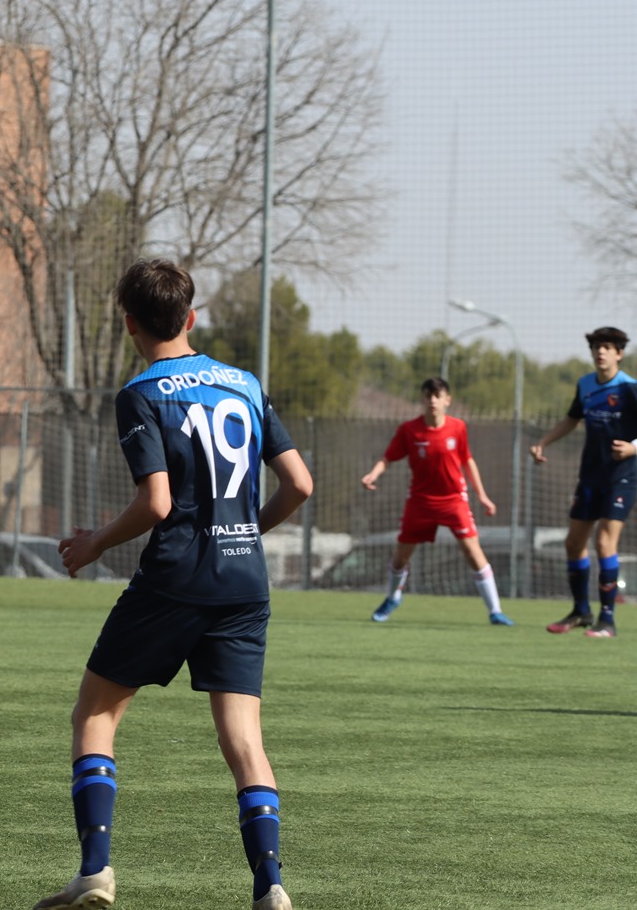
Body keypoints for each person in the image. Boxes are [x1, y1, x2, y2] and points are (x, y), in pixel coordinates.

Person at [33, 259, 312, 910]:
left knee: (95, 713)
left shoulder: (141, 392)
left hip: (176, 576)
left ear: (129, 323)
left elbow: (156, 503)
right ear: (191, 317)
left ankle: (95, 872)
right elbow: (300, 484)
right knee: (244, 739)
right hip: (245, 580)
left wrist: (94, 543)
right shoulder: (245, 383)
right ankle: (270, 885)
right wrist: (244, 529)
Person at [359, 377, 513, 625]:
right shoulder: (409, 430)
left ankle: (495, 610)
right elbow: (387, 458)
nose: (432, 400)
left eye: (437, 396)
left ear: (447, 400)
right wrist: (373, 474)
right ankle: (393, 597)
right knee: (401, 556)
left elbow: (467, 460)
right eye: (427, 395)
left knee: (473, 552)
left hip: (454, 500)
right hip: (420, 502)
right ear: (421, 399)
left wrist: (482, 495)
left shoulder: (458, 427)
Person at [529, 325, 637, 638]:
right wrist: (543, 442)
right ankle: (581, 611)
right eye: (596, 347)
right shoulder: (586, 384)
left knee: (604, 543)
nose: (600, 352)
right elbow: (572, 418)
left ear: (619, 353)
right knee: (573, 543)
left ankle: (608, 620)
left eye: (607, 347)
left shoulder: (630, 388)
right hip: (590, 476)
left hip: (622, 478)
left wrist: (633, 448)